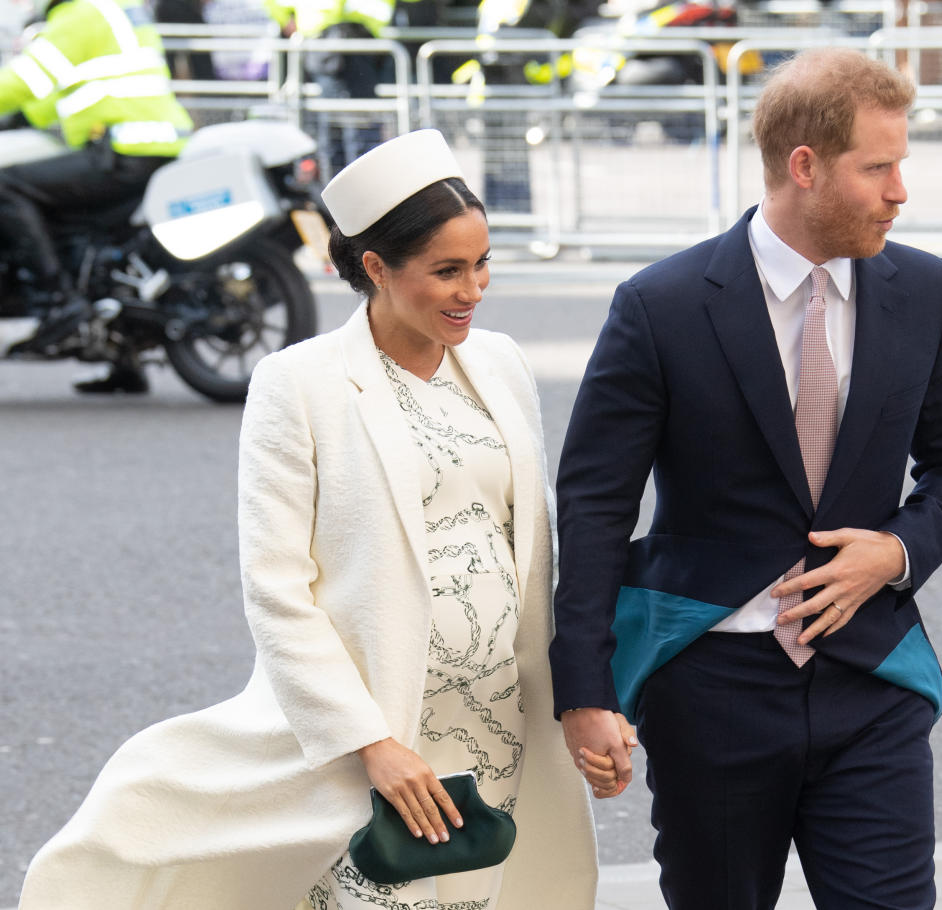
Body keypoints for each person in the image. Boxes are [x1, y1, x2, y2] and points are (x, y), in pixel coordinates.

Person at [18, 129, 603, 910]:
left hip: (498, 719)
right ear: (375, 268)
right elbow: (276, 588)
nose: (474, 289)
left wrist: (583, 697)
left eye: (483, 262)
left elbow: (531, 551)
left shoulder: (500, 363)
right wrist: (371, 745)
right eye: (448, 271)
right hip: (382, 737)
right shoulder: (298, 384)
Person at [550, 48, 942, 909]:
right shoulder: (662, 305)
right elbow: (595, 503)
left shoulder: (928, 289)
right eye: (879, 167)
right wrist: (585, 687)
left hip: (872, 680)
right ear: (805, 167)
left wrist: (895, 553)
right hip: (711, 689)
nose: (901, 190)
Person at [0, 0, 194, 394]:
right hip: (151, 145)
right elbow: (46, 102)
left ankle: (59, 304)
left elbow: (23, 82)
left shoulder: (79, 15)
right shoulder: (117, 10)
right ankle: (125, 362)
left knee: (7, 185)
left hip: (123, 148)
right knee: (91, 239)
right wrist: (21, 116)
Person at [265, 0, 395, 176]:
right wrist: (285, 21)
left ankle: (353, 184)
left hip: (356, 38)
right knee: (341, 124)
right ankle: (344, 185)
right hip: (326, 41)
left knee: (353, 122)